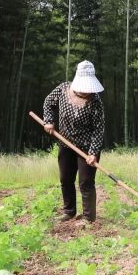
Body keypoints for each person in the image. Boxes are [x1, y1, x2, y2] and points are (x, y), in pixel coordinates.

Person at [43, 60, 105, 226]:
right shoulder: (63, 89)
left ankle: (88, 218)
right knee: (66, 179)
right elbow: (48, 102)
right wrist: (48, 121)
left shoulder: (95, 100)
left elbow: (99, 129)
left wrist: (93, 153)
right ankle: (69, 211)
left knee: (85, 182)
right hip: (65, 143)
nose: (86, 91)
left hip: (87, 147)